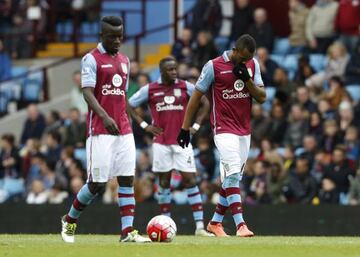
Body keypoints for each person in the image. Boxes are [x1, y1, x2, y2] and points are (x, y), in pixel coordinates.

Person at [60, 16, 150, 243]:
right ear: (102, 36)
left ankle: (127, 232)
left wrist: (138, 122)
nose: (118, 41)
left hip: (124, 129)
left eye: (120, 36)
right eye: (113, 36)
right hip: (100, 129)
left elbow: (122, 97)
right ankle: (69, 221)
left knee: (127, 179)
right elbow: (87, 92)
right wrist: (105, 116)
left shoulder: (125, 61)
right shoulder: (91, 59)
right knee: (97, 184)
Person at [177, 34, 266, 237]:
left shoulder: (253, 65)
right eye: (242, 58)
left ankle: (215, 223)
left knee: (231, 179)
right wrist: (185, 127)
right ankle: (240, 225)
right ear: (235, 50)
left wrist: (247, 79)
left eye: (247, 59)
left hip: (244, 131)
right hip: (223, 129)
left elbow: (261, 97)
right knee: (233, 174)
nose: (245, 62)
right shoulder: (213, 66)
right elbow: (196, 98)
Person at [128, 56, 212, 236]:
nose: (174, 72)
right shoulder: (150, 89)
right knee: (164, 183)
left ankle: (199, 227)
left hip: (182, 141)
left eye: (175, 69)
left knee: (190, 180)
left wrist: (196, 125)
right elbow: (128, 104)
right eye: (170, 70)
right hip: (161, 143)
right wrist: (144, 126)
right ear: (161, 71)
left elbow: (205, 102)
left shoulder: (185, 86)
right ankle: (167, 224)